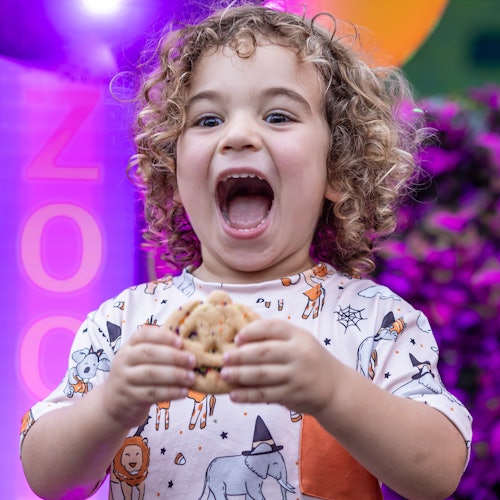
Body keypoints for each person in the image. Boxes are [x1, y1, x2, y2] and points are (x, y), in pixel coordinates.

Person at [20, 3, 472, 499]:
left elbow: (437, 473)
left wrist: (333, 391)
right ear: (174, 174)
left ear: (338, 171)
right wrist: (110, 405)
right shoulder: (125, 324)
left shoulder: (374, 320)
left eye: (278, 115)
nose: (237, 136)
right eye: (208, 119)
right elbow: (48, 478)